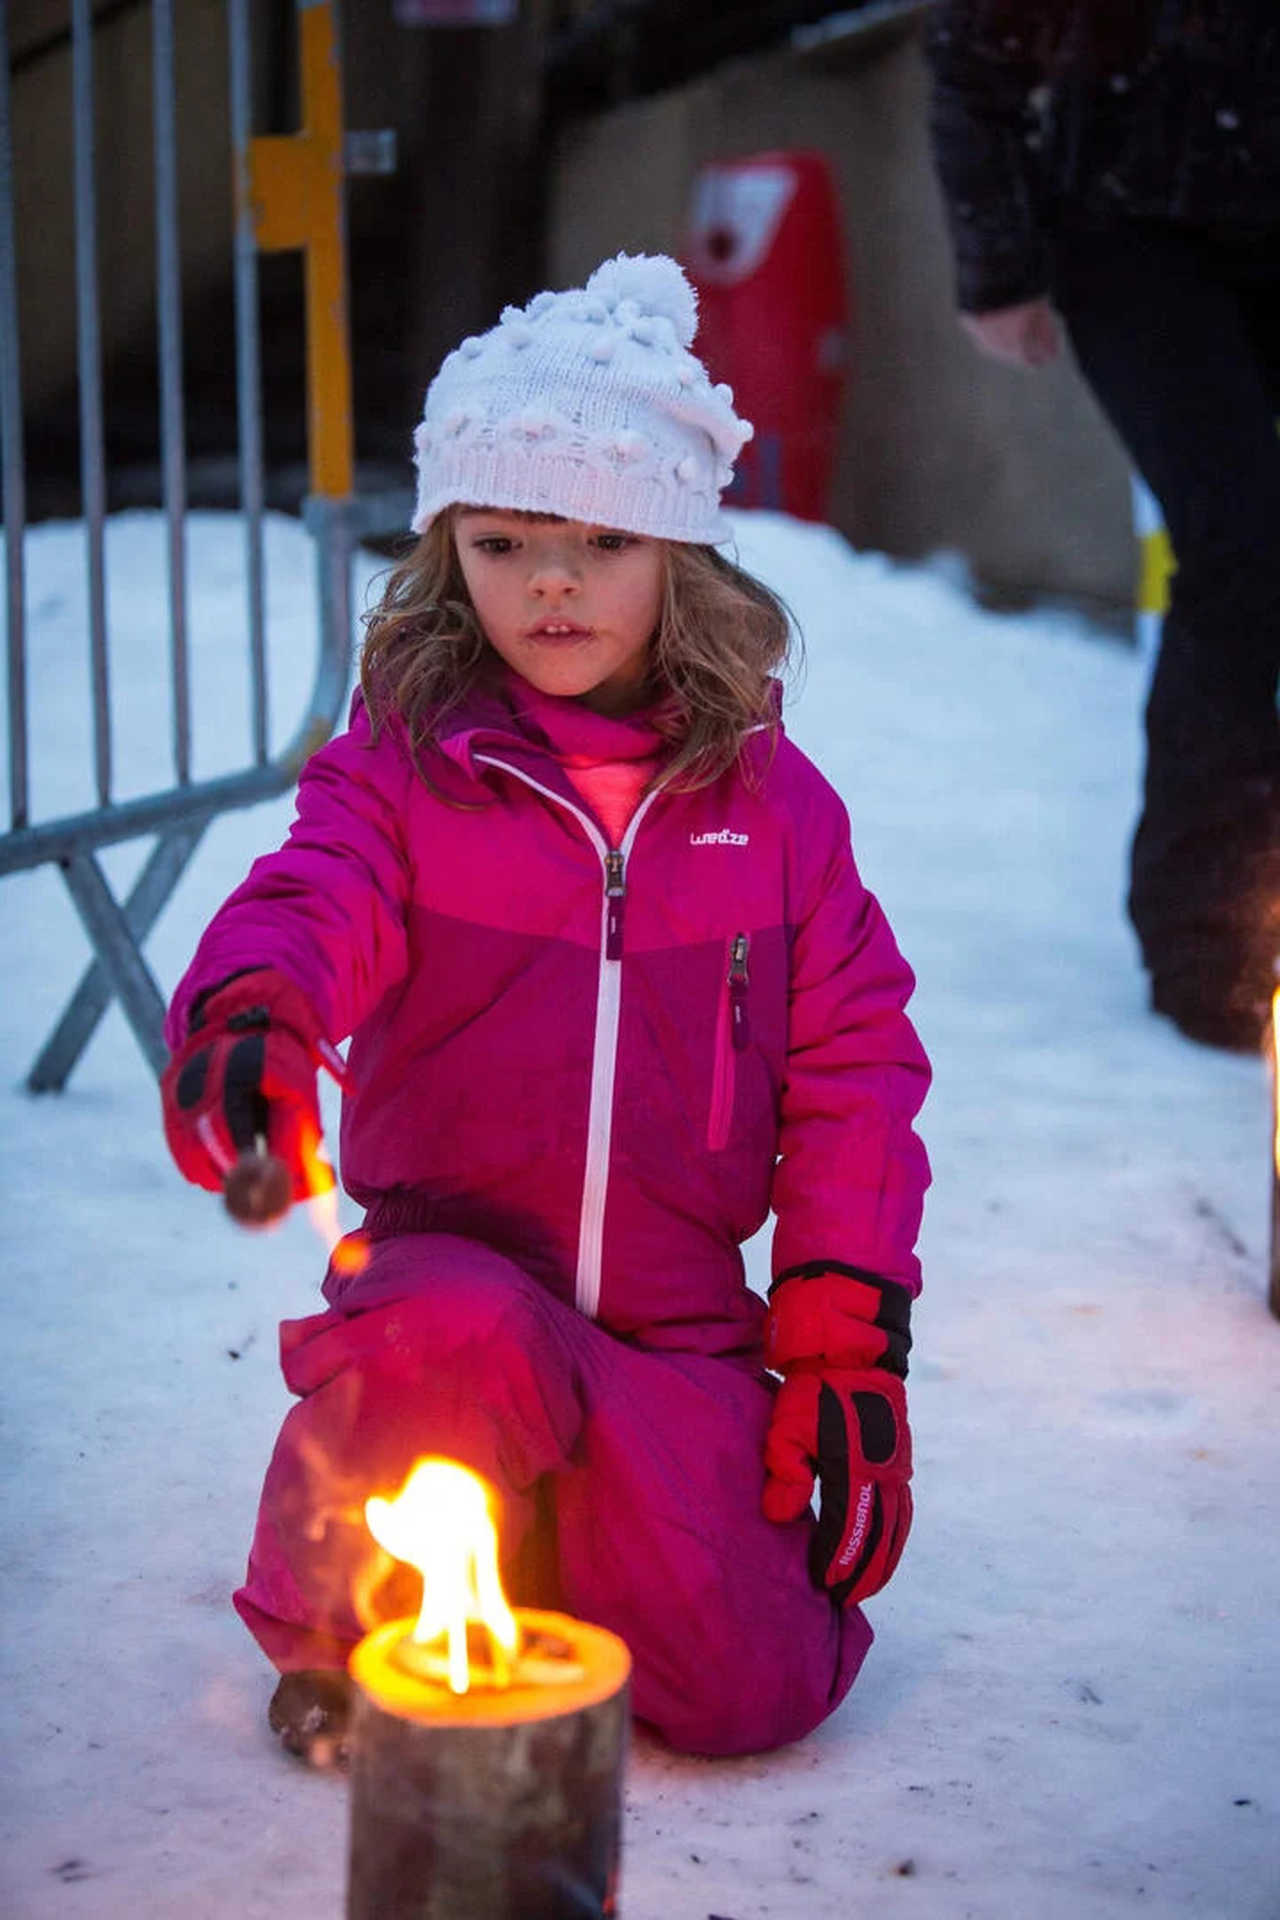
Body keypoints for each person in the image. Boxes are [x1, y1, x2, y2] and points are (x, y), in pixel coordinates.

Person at [159, 253, 930, 1765]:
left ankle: (552, 1538)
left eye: (599, 540)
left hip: (670, 1332)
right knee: (451, 1328)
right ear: (453, 555)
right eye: (504, 541)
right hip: (450, 1292)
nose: (552, 584)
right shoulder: (406, 767)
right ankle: (349, 1625)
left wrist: (844, 1345)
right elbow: (315, 894)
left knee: (758, 1693)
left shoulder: (775, 819)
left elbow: (855, 1075)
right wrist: (260, 1014)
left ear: (683, 559)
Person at [927, 0, 1280, 1050]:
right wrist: (997, 264)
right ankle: (1210, 940)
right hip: (1135, 227)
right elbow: (969, 54)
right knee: (1239, 545)